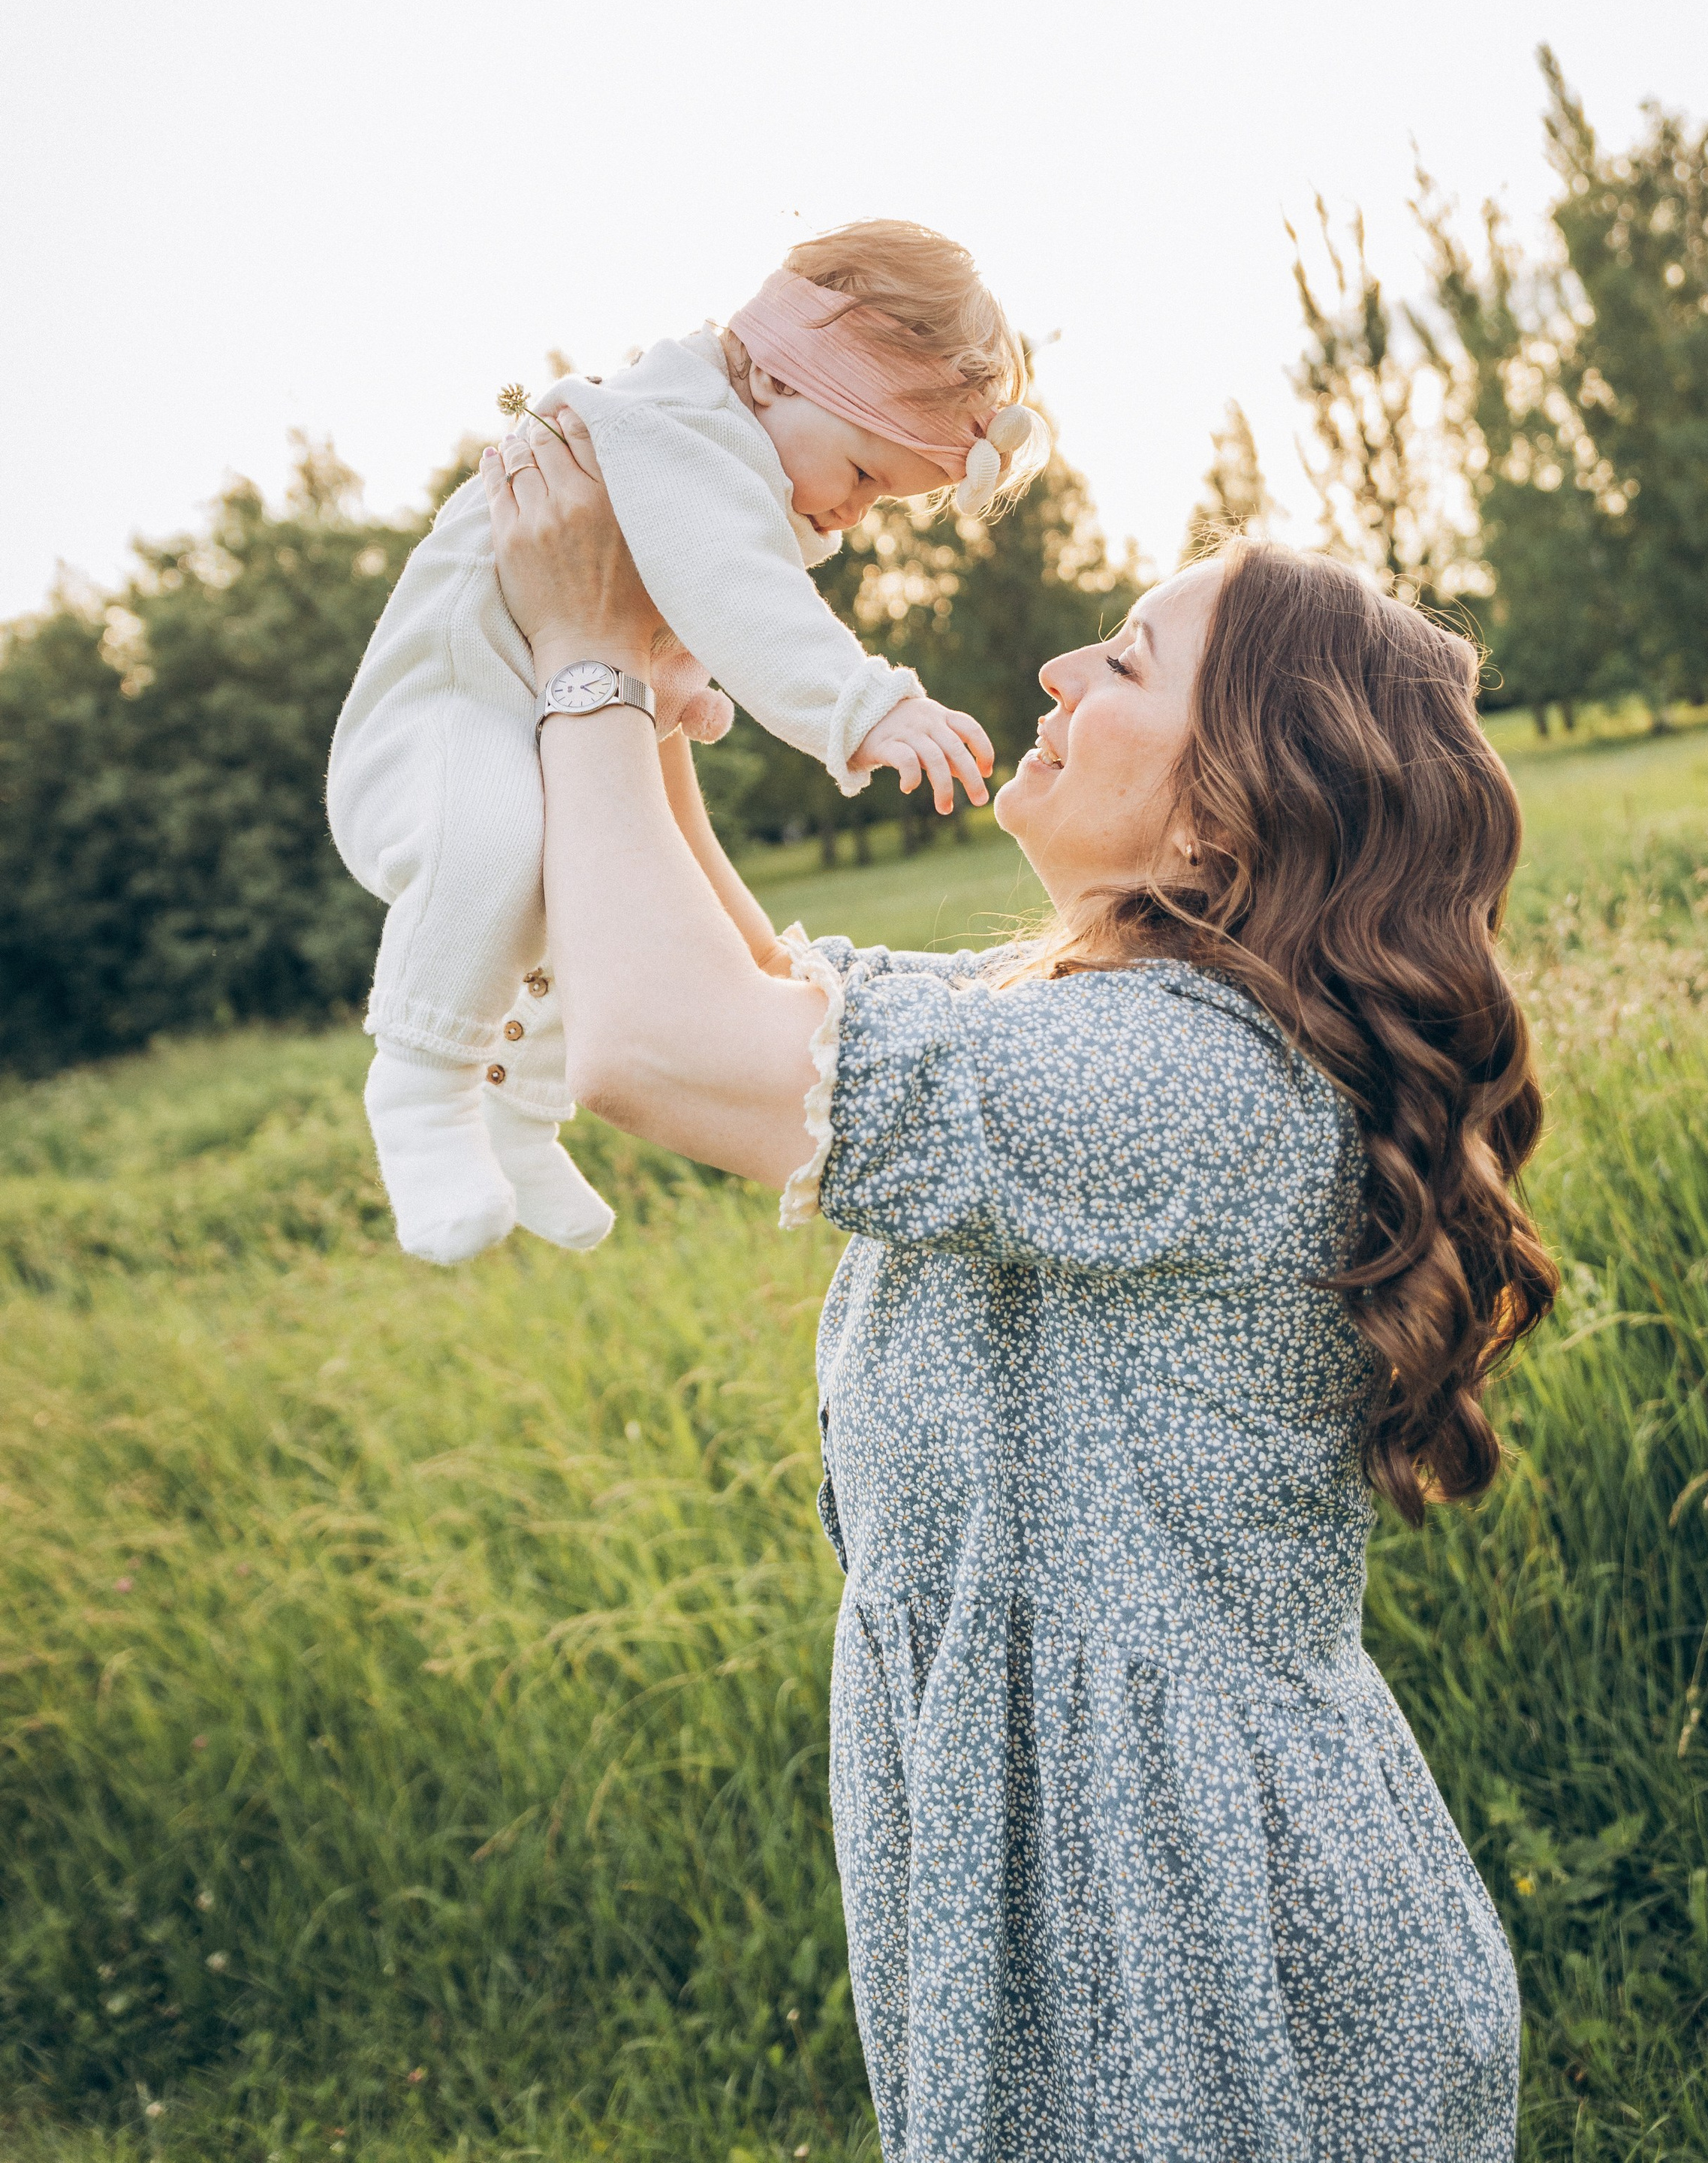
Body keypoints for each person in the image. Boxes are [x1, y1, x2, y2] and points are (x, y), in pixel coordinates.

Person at [481, 402, 1558, 2163]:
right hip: (1087, 1850)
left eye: (1124, 660)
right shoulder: (1101, 1023)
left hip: (1188, 1920)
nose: (1059, 667)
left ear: (1223, 820)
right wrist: (661, 705)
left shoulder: (1188, 1080)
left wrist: (583, 667)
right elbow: (762, 999)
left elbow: (657, 1050)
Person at [326, 220, 1040, 1265]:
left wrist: (669, 685)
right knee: (498, 846)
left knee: (588, 889)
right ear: (785, 377)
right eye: (862, 473)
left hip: (518, 712)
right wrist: (864, 704)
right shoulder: (673, 426)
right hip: (441, 718)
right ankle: (423, 1091)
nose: (852, 513)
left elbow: (681, 585)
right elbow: (734, 586)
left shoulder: (712, 442)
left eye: (882, 499)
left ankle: (519, 1114)